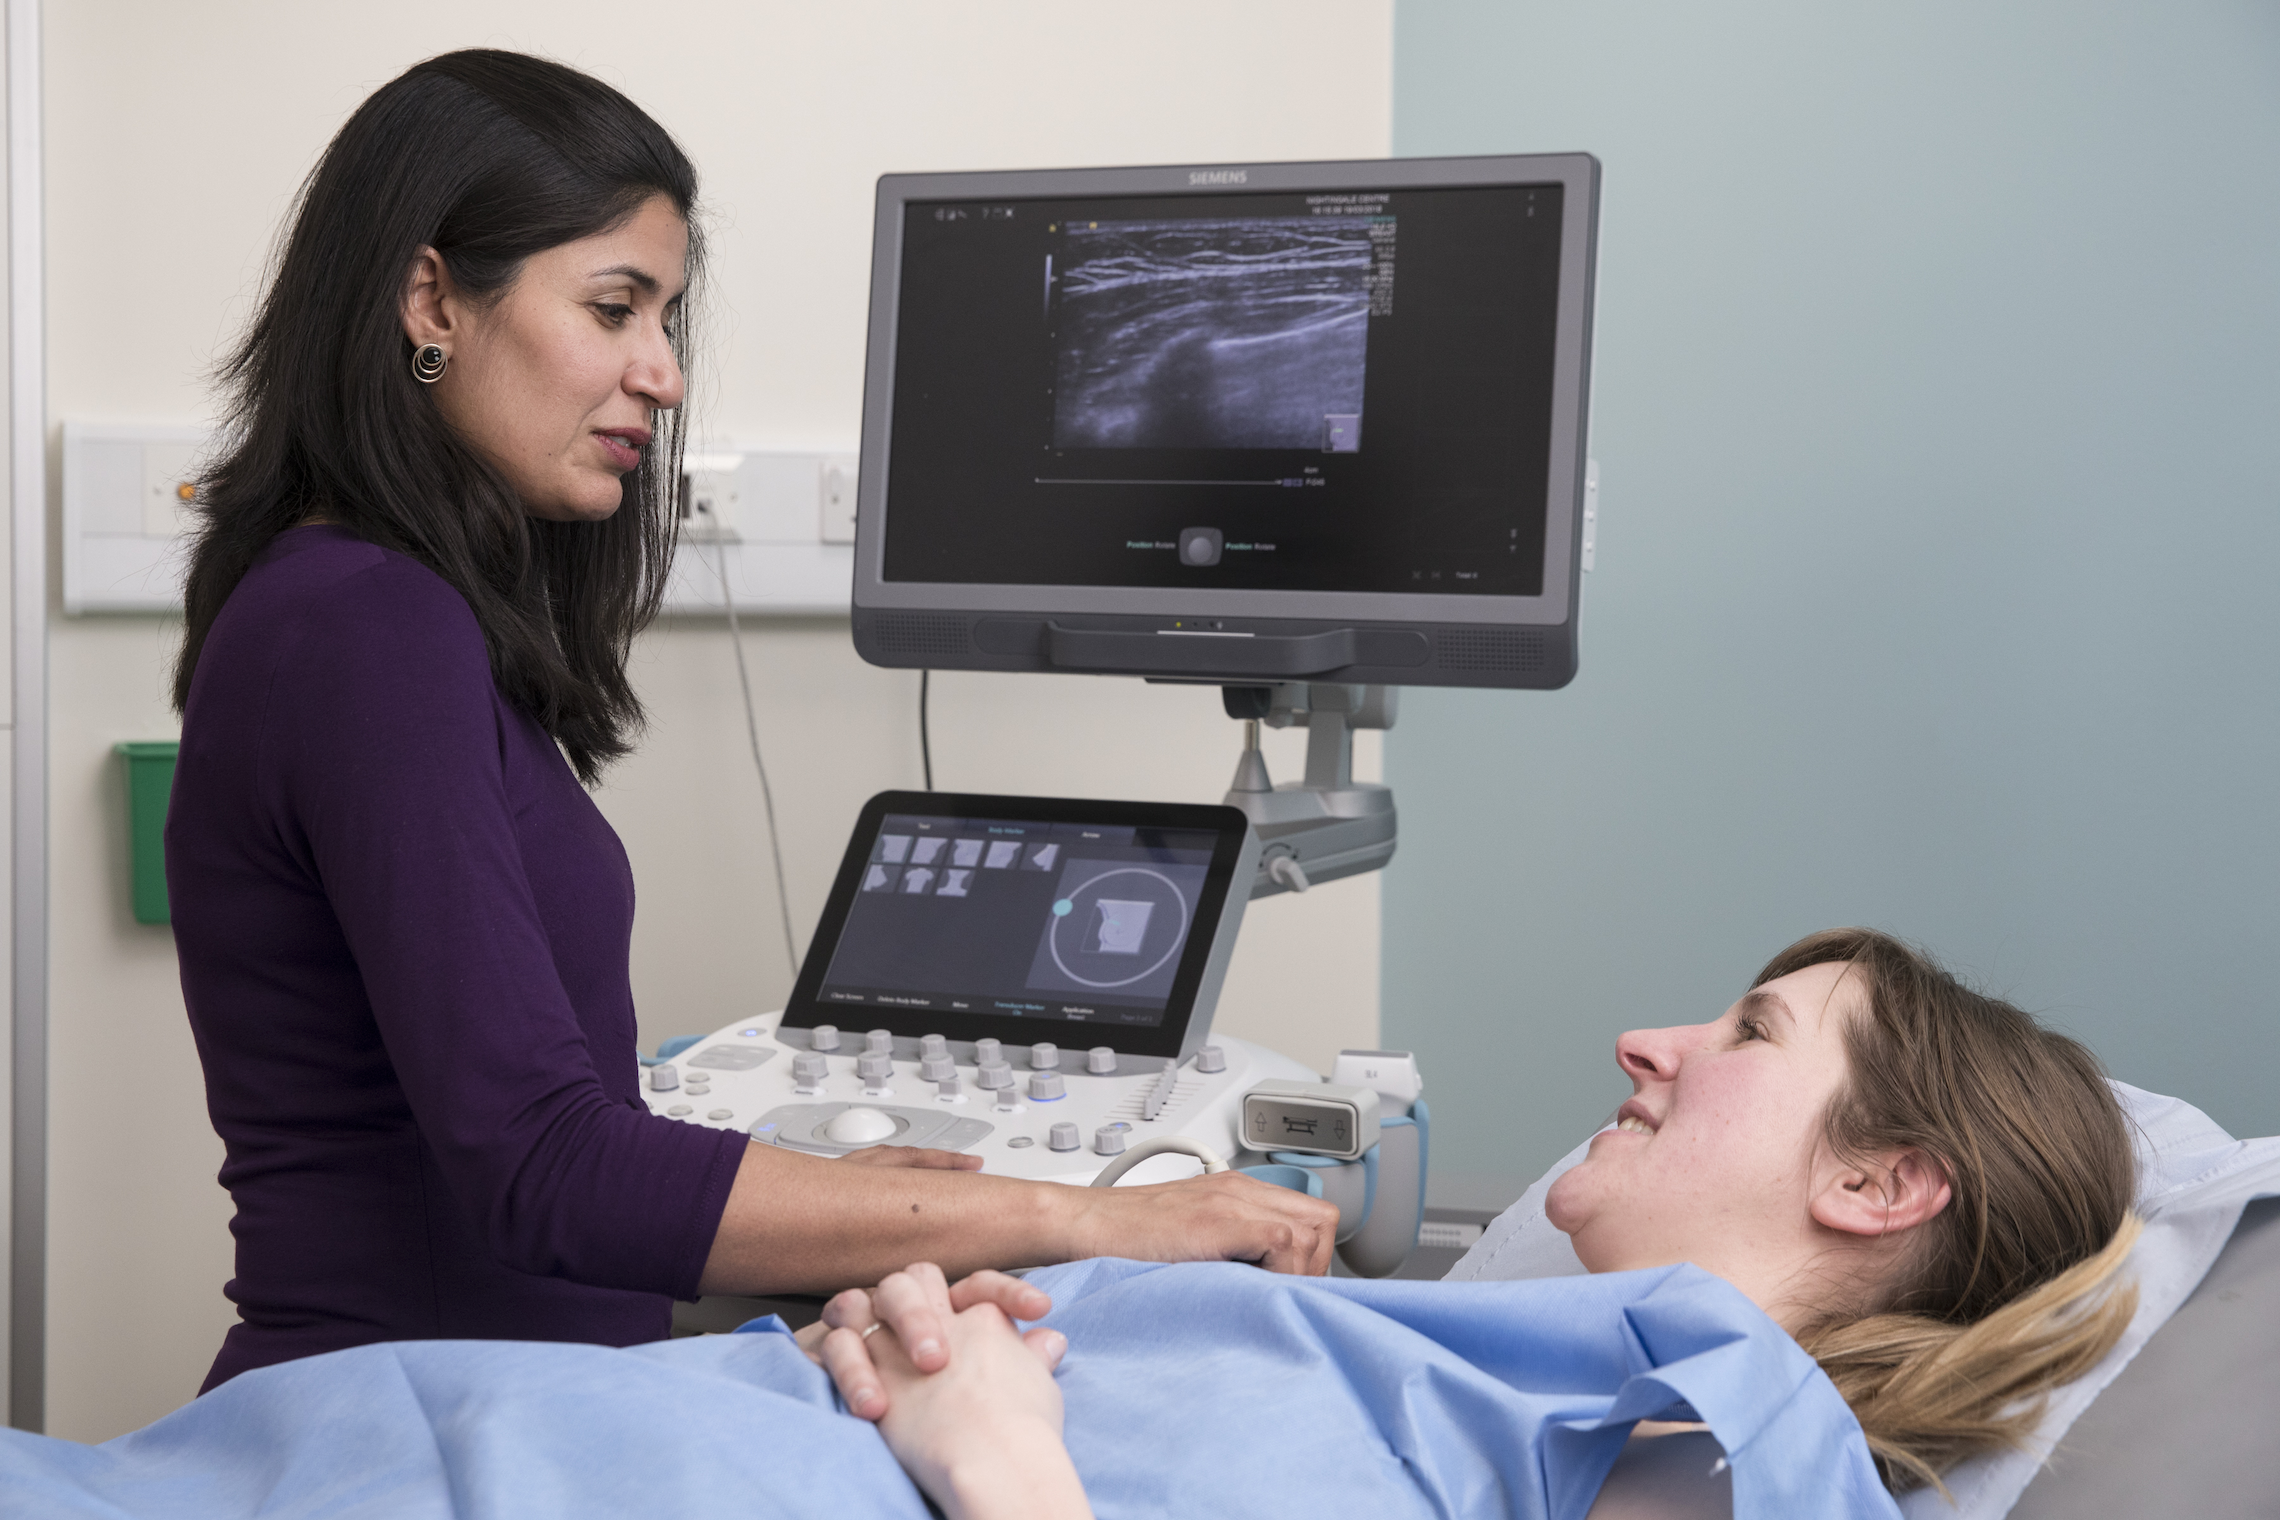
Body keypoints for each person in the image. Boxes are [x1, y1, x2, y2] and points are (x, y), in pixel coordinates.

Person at [165, 48, 1335, 1394]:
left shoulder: (355, 606)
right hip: (422, 1425)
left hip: (483, 1393)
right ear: (431, 295)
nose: (661, 374)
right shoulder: (368, 625)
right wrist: (1092, 1214)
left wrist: (826, 1198)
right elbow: (545, 1171)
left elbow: (510, 1145)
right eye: (614, 307)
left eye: (665, 318)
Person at [809, 928, 2142, 1516]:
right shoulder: (1511, 1357)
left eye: (1751, 1032)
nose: (1641, 1044)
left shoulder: (1744, 1422)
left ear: (1873, 1184)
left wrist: (998, 1462)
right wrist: (905, 1339)